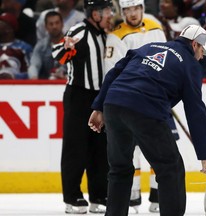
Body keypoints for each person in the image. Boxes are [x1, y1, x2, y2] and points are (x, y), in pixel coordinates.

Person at [88, 24, 206, 216]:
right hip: (145, 110)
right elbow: (195, 111)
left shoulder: (150, 47)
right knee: (171, 168)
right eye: (202, 51)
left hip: (114, 104)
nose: (202, 57)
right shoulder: (190, 65)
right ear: (195, 44)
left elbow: (114, 73)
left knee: (120, 169)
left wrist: (99, 106)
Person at [104, 0, 178, 212]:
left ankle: (158, 195)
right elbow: (112, 73)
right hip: (130, 100)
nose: (133, 13)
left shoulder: (155, 26)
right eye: (128, 10)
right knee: (131, 148)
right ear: (123, 11)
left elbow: (167, 59)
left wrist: (165, 92)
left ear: (142, 9)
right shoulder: (116, 35)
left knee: (160, 148)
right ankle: (132, 197)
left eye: (136, 8)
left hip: (155, 100)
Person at [51, 0, 114, 214]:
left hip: (100, 96)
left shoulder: (107, 34)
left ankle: (98, 194)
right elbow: (57, 55)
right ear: (94, 14)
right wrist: (66, 47)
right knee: (75, 147)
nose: (110, 15)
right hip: (78, 95)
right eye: (106, 11)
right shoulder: (80, 29)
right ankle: (72, 196)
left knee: (100, 147)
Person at [28, 11, 66, 80]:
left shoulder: (73, 44)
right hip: (47, 84)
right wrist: (34, 79)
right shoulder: (40, 46)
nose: (54, 26)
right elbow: (34, 65)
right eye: (51, 24)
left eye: (57, 23)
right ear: (46, 27)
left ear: (62, 24)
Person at [0, 12, 32, 79]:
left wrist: (14, 76)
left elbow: (31, 72)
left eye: (0, 23)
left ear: (8, 29)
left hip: (17, 87)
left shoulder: (24, 47)